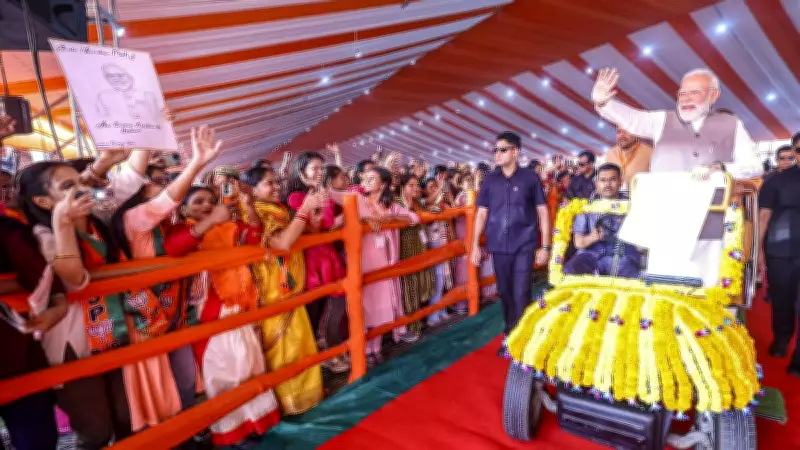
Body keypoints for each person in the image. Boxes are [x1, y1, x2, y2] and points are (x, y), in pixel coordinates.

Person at [165, 187, 281, 446]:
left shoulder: (229, 226)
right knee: (224, 370)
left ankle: (257, 422)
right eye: (198, 202)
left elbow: (254, 236)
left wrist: (248, 206)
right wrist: (211, 221)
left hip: (240, 304)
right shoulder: (181, 229)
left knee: (249, 363)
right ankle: (234, 432)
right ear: (183, 209)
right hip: (210, 312)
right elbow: (175, 247)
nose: (206, 205)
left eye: (211, 201)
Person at [241, 166, 325, 415]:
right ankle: (290, 404)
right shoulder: (256, 212)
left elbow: (308, 231)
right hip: (275, 295)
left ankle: (306, 399)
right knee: (286, 352)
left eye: (277, 181)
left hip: (291, 292)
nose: (277, 186)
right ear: (252, 190)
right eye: (269, 183)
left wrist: (313, 210)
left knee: (300, 347)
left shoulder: (277, 209)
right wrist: (304, 210)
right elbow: (283, 243)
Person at [592, 68, 761, 179]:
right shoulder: (662, 120)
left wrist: (721, 169)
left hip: (712, 209)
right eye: (682, 94)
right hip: (664, 207)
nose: (686, 98)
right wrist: (604, 103)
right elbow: (633, 119)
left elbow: (754, 166)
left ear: (713, 95)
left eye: (695, 92)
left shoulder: (732, 124)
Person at [470, 131, 550, 354]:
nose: (497, 154)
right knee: (505, 293)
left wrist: (545, 246)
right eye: (495, 150)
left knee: (521, 292)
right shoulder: (490, 180)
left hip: (524, 244)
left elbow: (543, 211)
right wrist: (475, 244)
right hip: (498, 246)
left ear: (515, 152)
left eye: (502, 150)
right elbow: (481, 213)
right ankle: (511, 334)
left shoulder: (530, 178)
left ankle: (521, 342)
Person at [758, 160, 800, 377]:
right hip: (780, 250)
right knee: (782, 301)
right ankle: (781, 340)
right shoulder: (776, 180)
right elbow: (763, 216)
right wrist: (757, 250)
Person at [563, 163, 641, 278]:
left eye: (612, 179)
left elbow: (642, 237)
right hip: (591, 254)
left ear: (620, 181)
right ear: (596, 183)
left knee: (628, 280)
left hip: (623, 255)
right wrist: (592, 237)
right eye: (603, 180)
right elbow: (578, 243)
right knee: (570, 270)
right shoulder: (585, 206)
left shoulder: (633, 205)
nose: (607, 184)